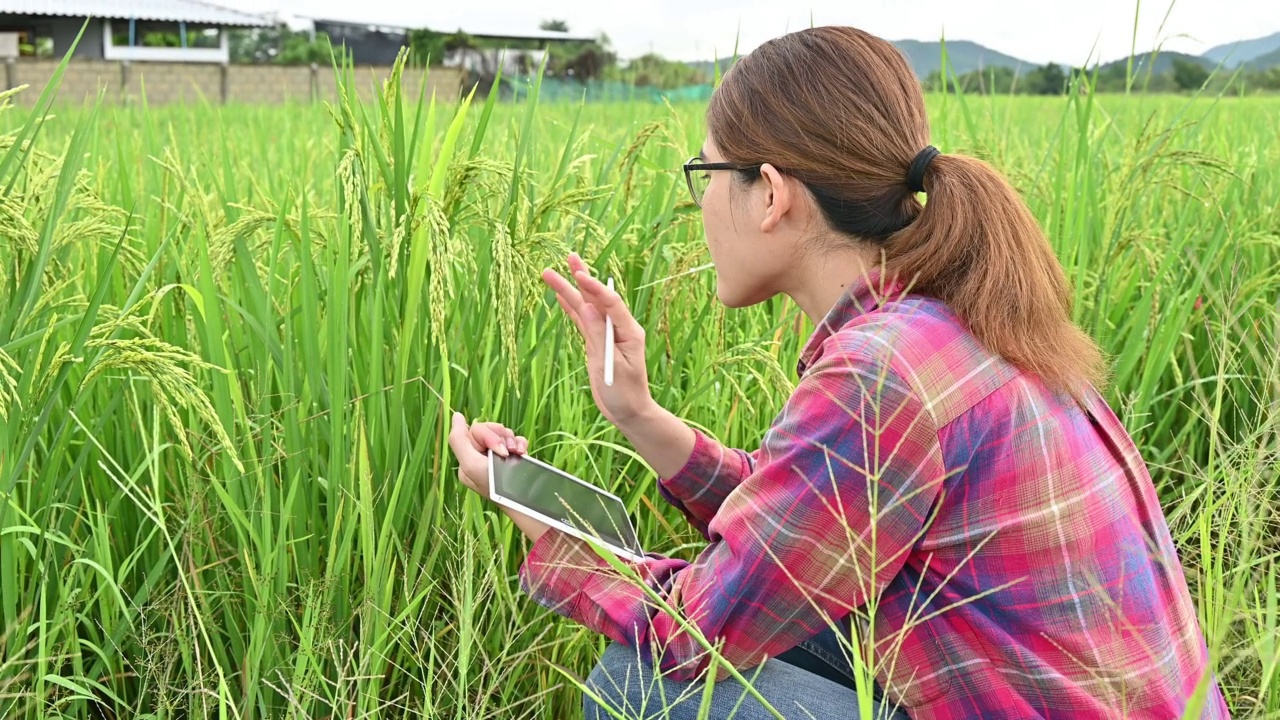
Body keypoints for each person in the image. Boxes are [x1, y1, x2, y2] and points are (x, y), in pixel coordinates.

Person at [446, 25, 1229, 720]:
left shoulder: (880, 374)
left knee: (641, 687)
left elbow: (694, 635)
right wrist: (640, 416)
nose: (704, 205)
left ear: (772, 195)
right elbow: (810, 529)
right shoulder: (947, 321)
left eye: (709, 174)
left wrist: (548, 533)